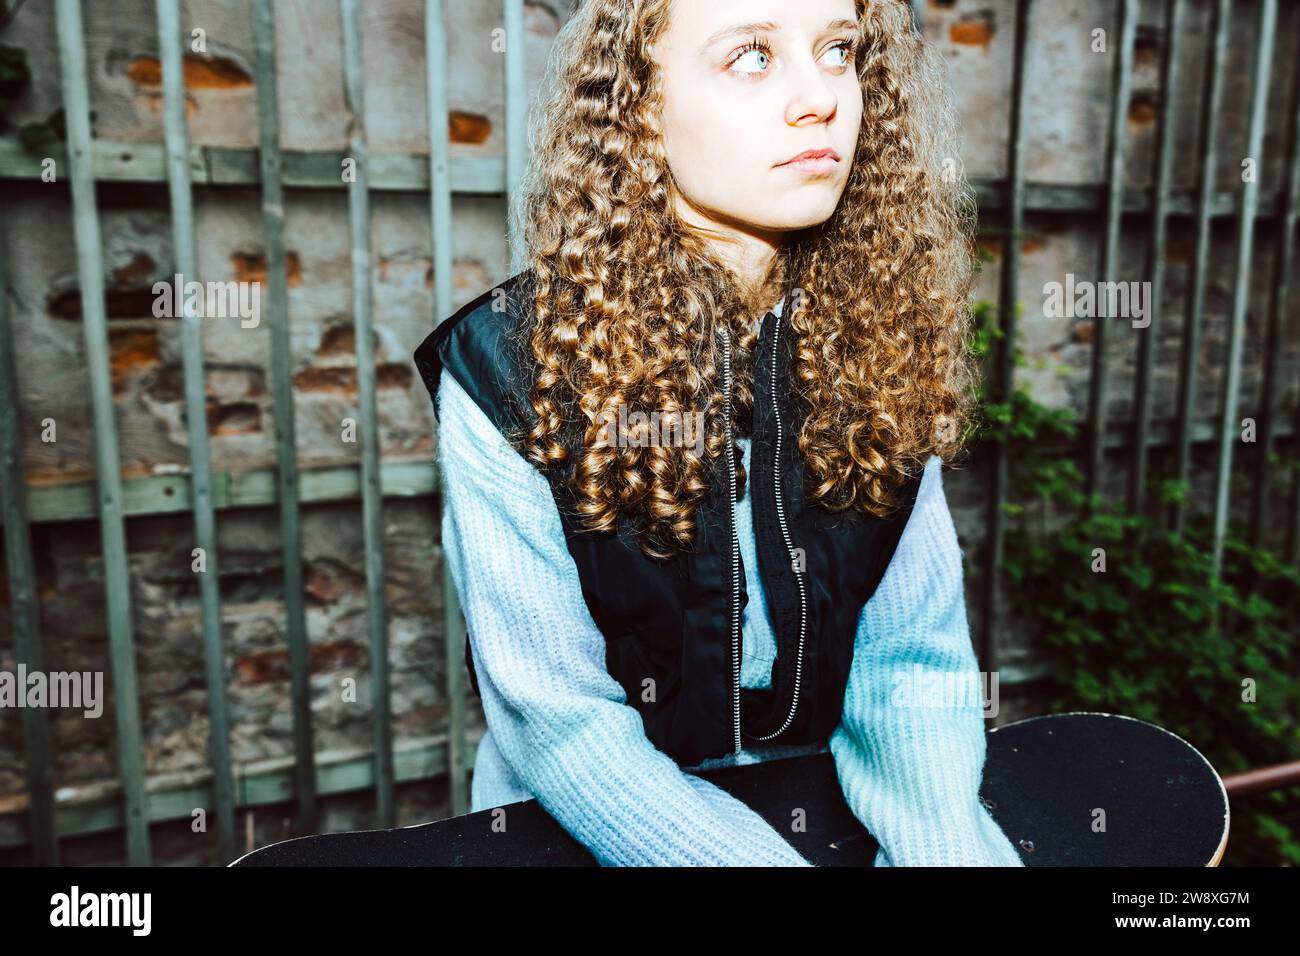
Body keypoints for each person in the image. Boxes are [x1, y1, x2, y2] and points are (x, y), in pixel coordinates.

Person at [414, 0, 1024, 867]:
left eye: (838, 50)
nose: (822, 99)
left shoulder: (878, 334)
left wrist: (944, 855)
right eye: (752, 57)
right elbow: (559, 724)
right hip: (576, 834)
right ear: (639, 104)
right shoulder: (506, 367)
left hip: (816, 809)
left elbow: (909, 668)